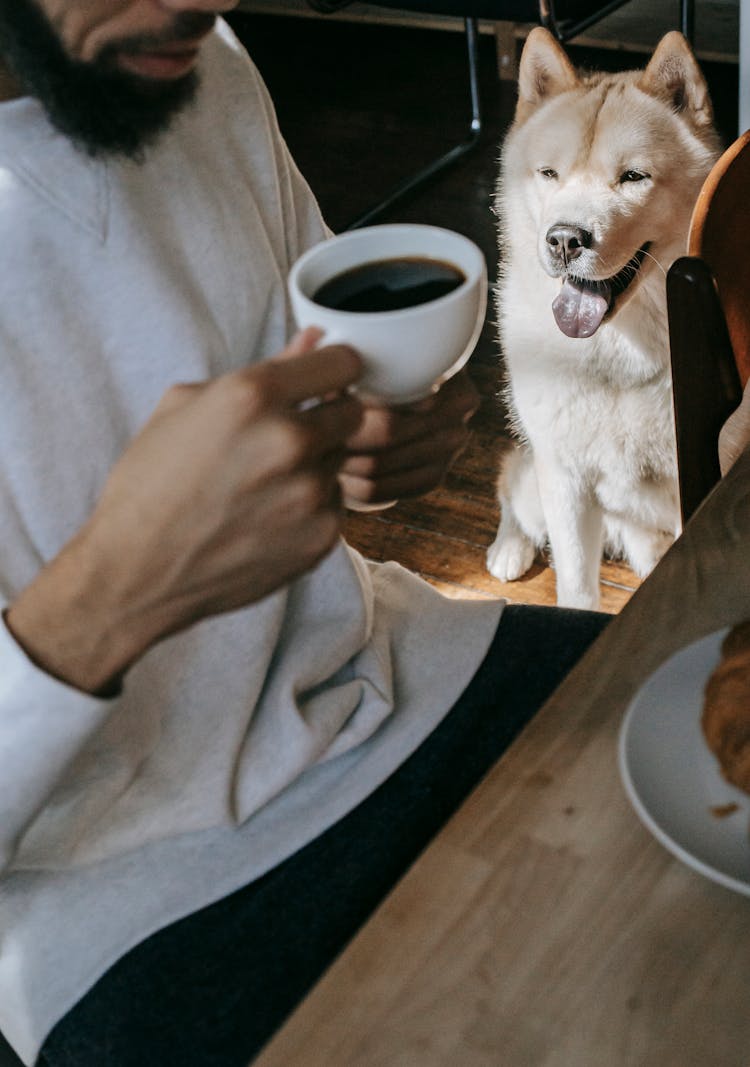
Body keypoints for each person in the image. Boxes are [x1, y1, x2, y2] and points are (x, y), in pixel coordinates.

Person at [0, 3, 612, 1065]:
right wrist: (107, 598)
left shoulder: (196, 62)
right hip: (120, 900)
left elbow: (325, 367)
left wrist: (377, 452)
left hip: (398, 678)